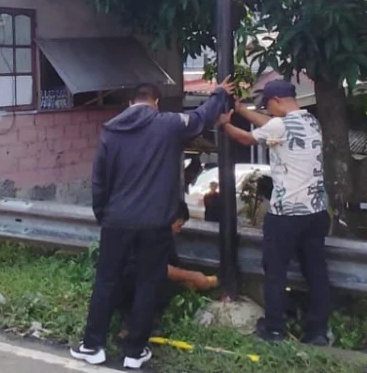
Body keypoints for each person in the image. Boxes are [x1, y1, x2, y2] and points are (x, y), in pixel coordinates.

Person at [71, 78, 234, 370]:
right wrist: (220, 93)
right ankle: (135, 352)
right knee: (148, 283)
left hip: (117, 220)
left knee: (106, 282)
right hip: (155, 222)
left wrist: (103, 214)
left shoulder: (111, 130)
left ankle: (92, 346)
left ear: (131, 102)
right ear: (156, 102)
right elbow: (202, 117)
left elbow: (100, 180)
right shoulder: (167, 124)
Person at [218, 79, 331, 346]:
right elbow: (268, 125)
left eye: (267, 106)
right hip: (316, 213)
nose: (267, 111)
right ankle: (317, 332)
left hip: (286, 215)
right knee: (316, 272)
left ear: (278, 101)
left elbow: (246, 138)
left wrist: (224, 123)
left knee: (276, 272)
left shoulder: (279, 124)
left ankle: (274, 329)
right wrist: (242, 110)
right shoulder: (311, 121)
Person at [113, 202, 217, 341]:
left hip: (123, 281)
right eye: (179, 225)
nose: (179, 230)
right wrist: (193, 276)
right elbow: (158, 267)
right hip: (128, 283)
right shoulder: (155, 235)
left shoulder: (151, 227)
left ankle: (133, 325)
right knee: (160, 286)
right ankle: (134, 328)